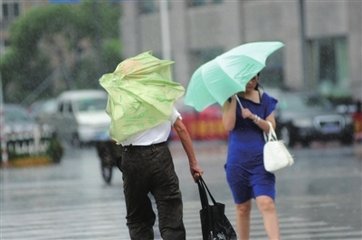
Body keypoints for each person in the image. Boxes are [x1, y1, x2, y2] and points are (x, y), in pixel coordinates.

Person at [117, 105, 203, 239]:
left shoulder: (121, 98)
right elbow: (181, 128)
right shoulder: (160, 97)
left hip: (131, 157)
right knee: (170, 212)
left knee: (138, 219)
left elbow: (115, 133)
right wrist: (193, 163)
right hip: (160, 156)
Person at [222, 73, 280, 239]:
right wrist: (233, 98)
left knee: (266, 203)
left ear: (258, 79)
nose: (250, 82)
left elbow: (271, 127)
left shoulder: (265, 99)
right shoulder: (229, 100)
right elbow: (228, 125)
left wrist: (254, 117)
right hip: (237, 162)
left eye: (254, 78)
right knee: (242, 208)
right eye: (246, 78)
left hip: (261, 161)